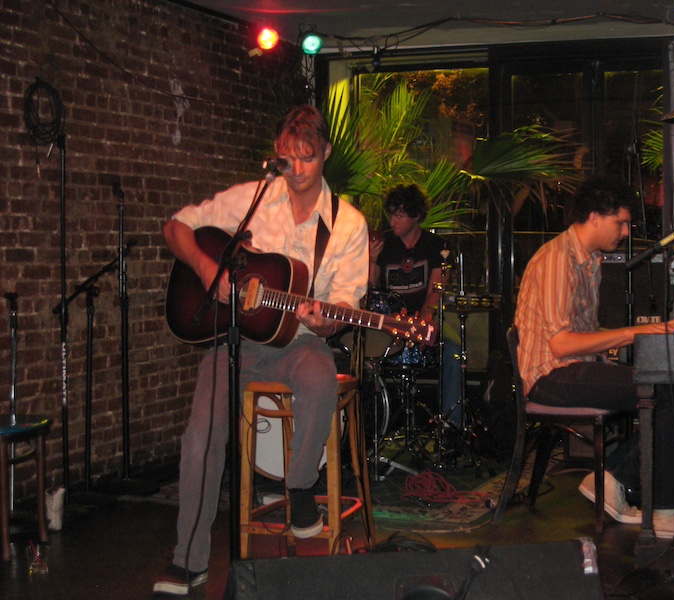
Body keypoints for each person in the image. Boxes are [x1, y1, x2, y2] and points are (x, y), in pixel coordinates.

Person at [154, 105, 369, 596]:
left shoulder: (348, 224)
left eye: (307, 159)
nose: (296, 170)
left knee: (318, 381)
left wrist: (326, 319)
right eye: (286, 159)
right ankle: (189, 562)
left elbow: (345, 306)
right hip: (238, 341)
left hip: (302, 342)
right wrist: (210, 272)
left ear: (325, 155)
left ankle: (298, 490)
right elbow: (176, 228)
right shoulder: (253, 199)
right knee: (199, 438)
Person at [514, 176, 674, 541]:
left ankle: (613, 477)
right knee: (668, 395)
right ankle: (663, 510)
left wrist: (633, 345)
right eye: (621, 223)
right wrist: (635, 333)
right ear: (595, 217)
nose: (626, 232)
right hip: (549, 377)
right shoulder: (556, 260)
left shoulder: (589, 261)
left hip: (572, 370)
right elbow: (561, 345)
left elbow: (583, 337)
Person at [368, 184, 462, 434]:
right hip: (390, 324)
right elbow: (370, 288)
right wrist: (371, 260)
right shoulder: (385, 245)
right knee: (362, 350)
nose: (393, 220)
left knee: (453, 350)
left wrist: (421, 321)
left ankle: (452, 426)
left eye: (400, 214)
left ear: (416, 216)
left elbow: (436, 290)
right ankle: (373, 429)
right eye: (391, 214)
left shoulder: (436, 246)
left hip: (422, 320)